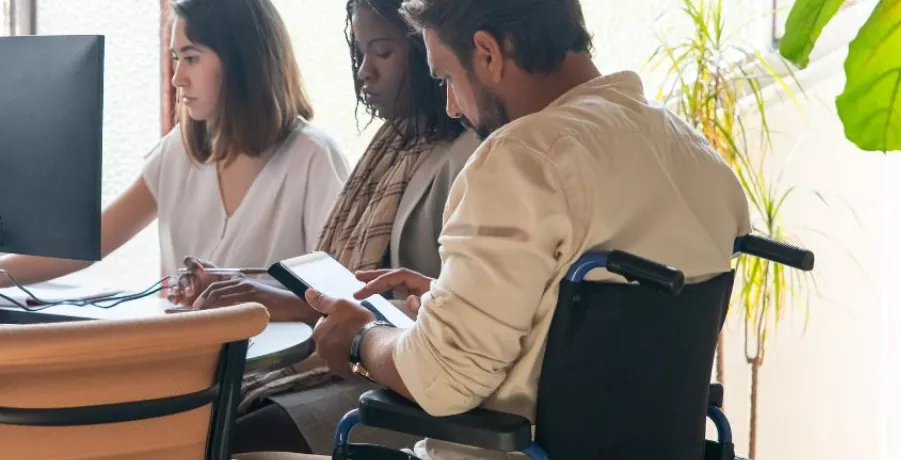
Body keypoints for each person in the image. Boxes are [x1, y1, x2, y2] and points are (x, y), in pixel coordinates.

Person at [241, 0, 752, 459]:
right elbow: (602, 342)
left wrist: (359, 339)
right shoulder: (698, 158)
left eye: (445, 77)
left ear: (487, 53)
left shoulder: (523, 157)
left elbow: (442, 380)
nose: (451, 107)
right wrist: (452, 300)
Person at [174, 0, 478, 455]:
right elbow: (353, 281)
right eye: (360, 54)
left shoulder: (467, 157)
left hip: (400, 383)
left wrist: (290, 303)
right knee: (204, 418)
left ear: (427, 50)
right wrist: (261, 288)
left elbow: (431, 317)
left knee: (223, 436)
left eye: (383, 52)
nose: (365, 72)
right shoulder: (395, 144)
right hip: (364, 364)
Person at [0, 0, 350, 292]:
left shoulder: (311, 158)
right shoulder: (180, 153)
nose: (177, 78)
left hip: (271, 372)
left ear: (245, 61)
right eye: (175, 59)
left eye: (191, 58)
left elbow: (338, 293)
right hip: (188, 362)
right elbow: (87, 243)